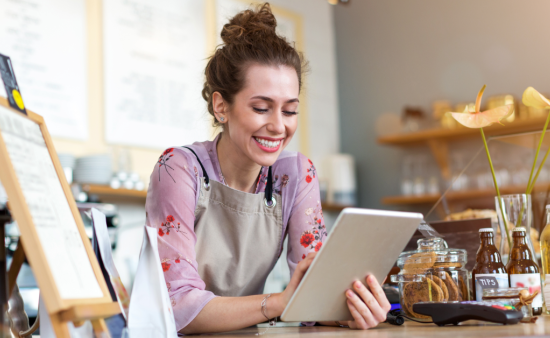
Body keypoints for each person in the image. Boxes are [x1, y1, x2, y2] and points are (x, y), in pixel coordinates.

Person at [145, 3, 389, 334]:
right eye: (261, 108)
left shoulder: (296, 175)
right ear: (221, 106)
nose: (278, 126)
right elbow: (177, 307)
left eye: (289, 111)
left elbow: (314, 289)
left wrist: (349, 306)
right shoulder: (178, 169)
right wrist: (278, 303)